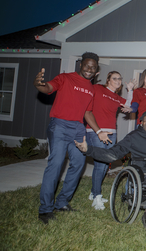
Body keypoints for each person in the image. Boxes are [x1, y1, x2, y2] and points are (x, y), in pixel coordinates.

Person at [34, 52, 101, 224]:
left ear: (96, 70)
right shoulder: (65, 78)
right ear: (81, 65)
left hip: (78, 128)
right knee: (56, 164)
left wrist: (99, 131)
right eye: (87, 65)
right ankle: (45, 209)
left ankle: (62, 202)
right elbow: (49, 88)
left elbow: (87, 112)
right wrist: (40, 85)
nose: (89, 69)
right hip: (60, 126)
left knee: (79, 164)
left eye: (93, 67)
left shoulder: (91, 89)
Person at [85, 71, 136, 210]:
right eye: (114, 78)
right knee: (100, 164)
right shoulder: (98, 89)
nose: (118, 81)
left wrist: (130, 90)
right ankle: (97, 196)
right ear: (108, 80)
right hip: (96, 132)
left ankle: (93, 193)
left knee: (105, 164)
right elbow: (86, 88)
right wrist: (92, 76)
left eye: (120, 79)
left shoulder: (116, 97)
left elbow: (127, 105)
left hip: (112, 133)